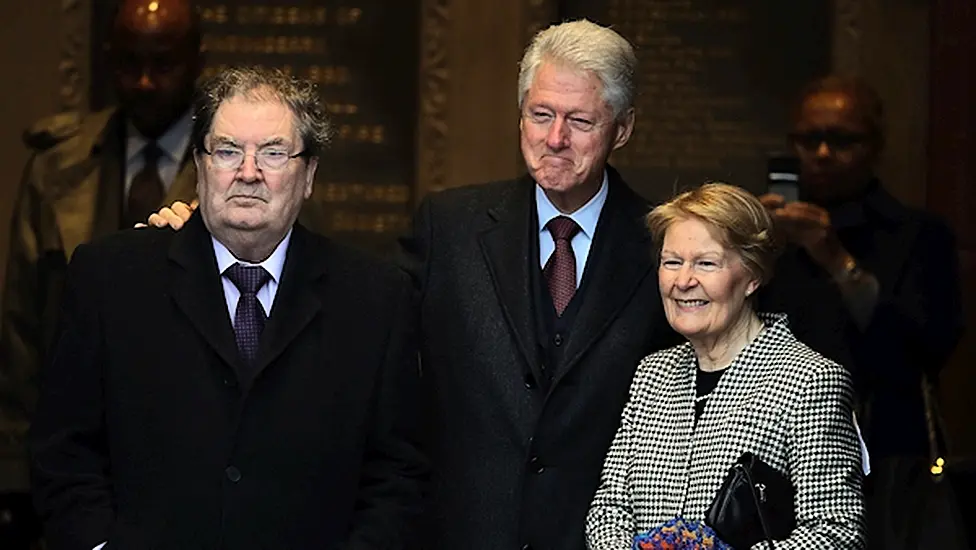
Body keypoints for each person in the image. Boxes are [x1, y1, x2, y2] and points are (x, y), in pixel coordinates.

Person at [144, 19, 679, 549]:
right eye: (541, 115)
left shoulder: (663, 250)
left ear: (623, 128)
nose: (555, 138)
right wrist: (208, 236)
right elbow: (342, 311)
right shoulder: (450, 226)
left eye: (580, 121)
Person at [29, 67, 426, 550]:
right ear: (199, 165)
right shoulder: (109, 280)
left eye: (274, 153)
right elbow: (64, 454)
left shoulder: (376, 299)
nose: (249, 171)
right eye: (227, 150)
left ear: (309, 175)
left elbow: (397, 477)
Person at [0, 0, 203, 529]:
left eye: (164, 64)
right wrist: (16, 478)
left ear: (197, 62)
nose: (144, 81)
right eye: (128, 63)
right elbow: (22, 334)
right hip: (75, 455)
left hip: (191, 455)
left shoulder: (241, 173)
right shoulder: (57, 167)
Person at [586, 183, 866, 549]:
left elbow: (837, 534)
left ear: (752, 277)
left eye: (706, 263)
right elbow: (610, 506)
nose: (683, 281)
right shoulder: (652, 373)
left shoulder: (810, 381)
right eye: (672, 262)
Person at [758, 75, 964, 547]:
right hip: (773, 457)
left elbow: (926, 348)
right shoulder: (768, 236)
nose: (823, 154)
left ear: (874, 146)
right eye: (810, 140)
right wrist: (751, 246)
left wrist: (835, 258)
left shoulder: (919, 235)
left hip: (881, 454)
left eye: (842, 140)